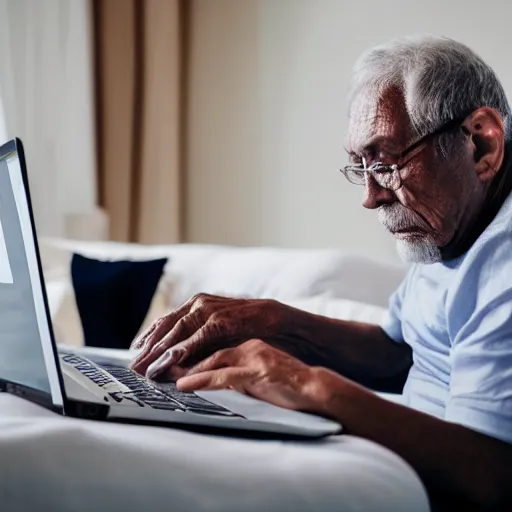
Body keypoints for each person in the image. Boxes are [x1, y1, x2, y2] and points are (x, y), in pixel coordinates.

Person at [130, 35, 512, 510]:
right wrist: (271, 323)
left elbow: (492, 477)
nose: (370, 197)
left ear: (481, 143)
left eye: (385, 162)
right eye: (361, 167)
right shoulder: (453, 228)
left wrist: (311, 385)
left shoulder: (504, 263)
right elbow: (402, 353)